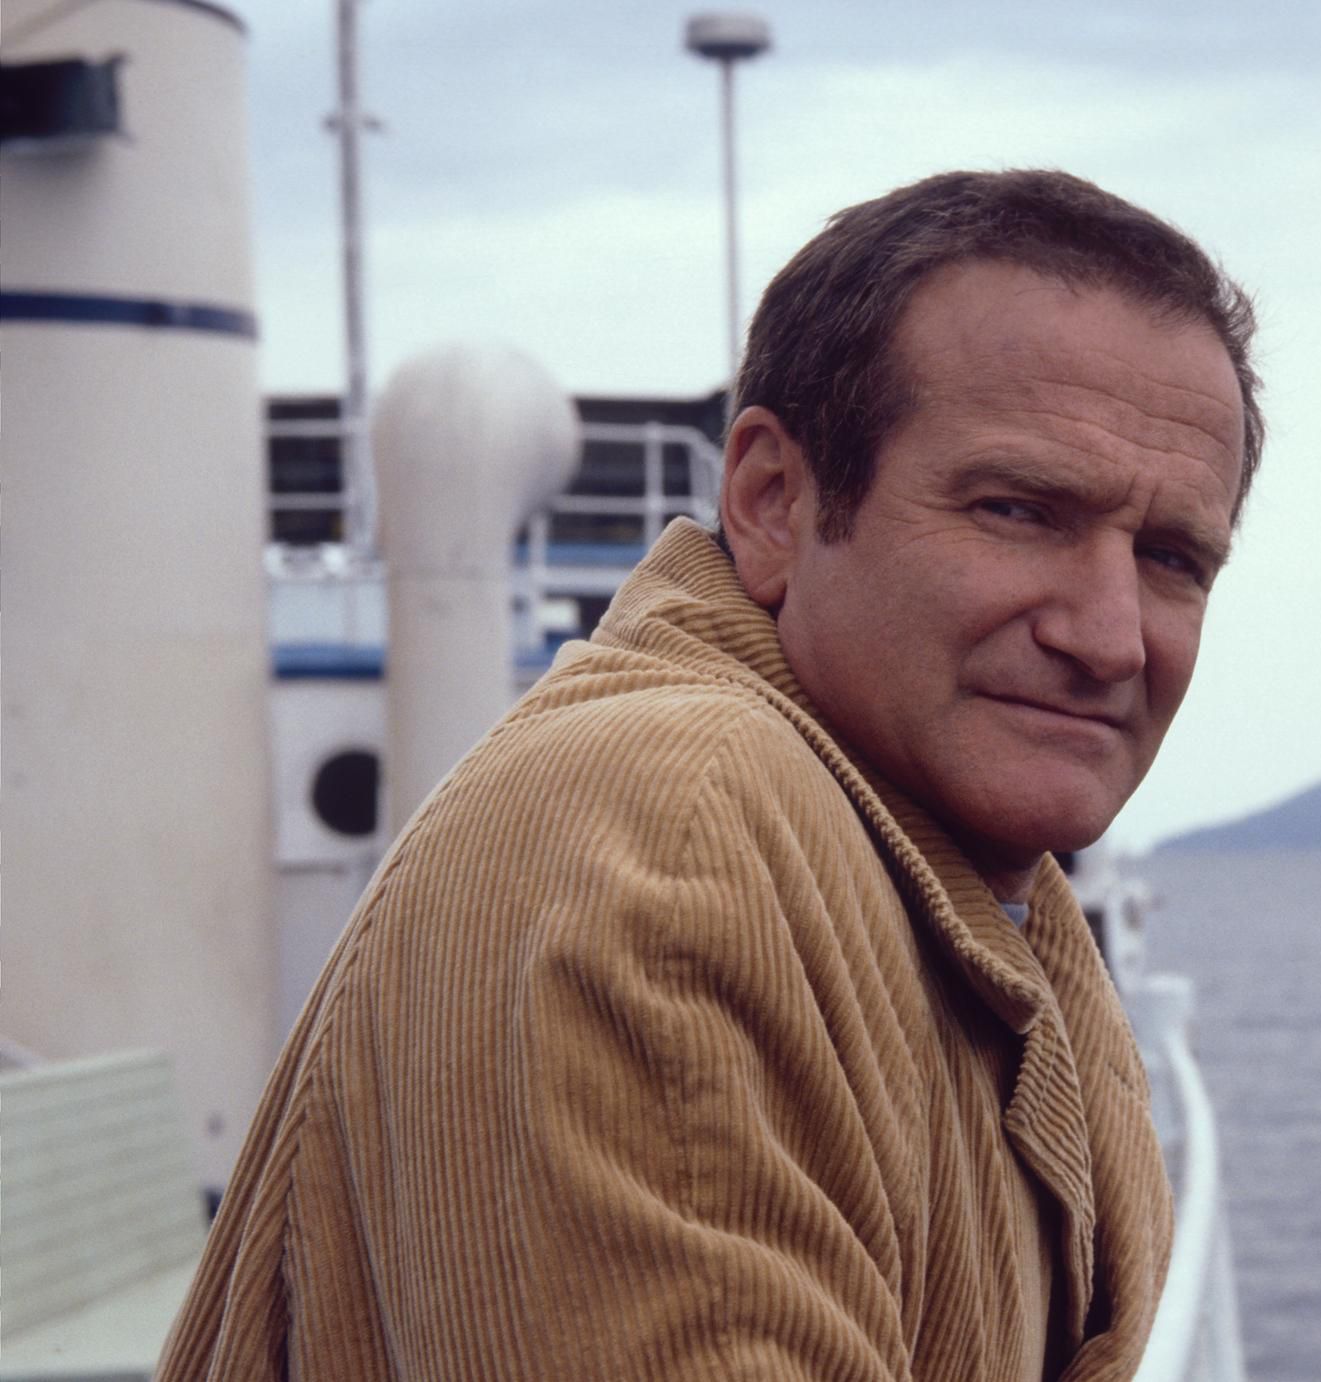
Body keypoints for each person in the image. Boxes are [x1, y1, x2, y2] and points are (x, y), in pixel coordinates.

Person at [160, 168, 1262, 1381]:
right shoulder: (676, 831)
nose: (1110, 637)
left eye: (1172, 557)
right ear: (773, 501)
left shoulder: (969, 887)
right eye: (1018, 510)